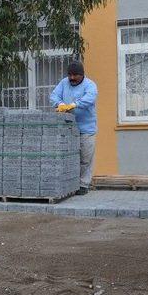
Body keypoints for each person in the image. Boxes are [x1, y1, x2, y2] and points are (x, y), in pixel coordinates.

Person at [49, 60, 98, 195]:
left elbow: (90, 98)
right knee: (68, 157)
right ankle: (70, 183)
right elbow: (53, 96)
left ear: (82, 75)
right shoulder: (64, 83)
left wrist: (74, 105)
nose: (72, 78)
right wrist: (60, 103)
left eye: (75, 75)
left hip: (86, 129)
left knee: (85, 158)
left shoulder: (90, 85)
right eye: (70, 75)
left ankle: (83, 184)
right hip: (68, 128)